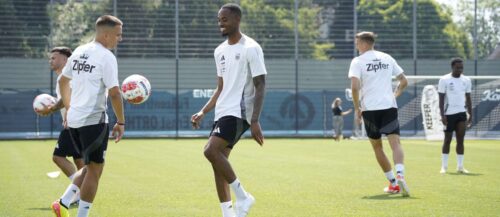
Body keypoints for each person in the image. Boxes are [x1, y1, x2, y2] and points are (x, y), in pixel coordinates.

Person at [190, 3, 267, 217]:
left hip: (240, 112)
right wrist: (203, 111)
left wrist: (255, 120)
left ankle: (243, 197)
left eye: (225, 19)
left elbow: (261, 84)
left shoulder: (251, 48)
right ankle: (228, 213)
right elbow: (221, 87)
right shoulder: (219, 51)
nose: (220, 23)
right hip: (222, 111)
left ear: (237, 20)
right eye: (219, 20)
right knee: (218, 163)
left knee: (210, 151)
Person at [50, 15, 125, 217]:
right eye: (118, 35)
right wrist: (121, 121)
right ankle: (81, 214)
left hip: (74, 120)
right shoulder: (107, 57)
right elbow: (116, 93)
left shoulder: (79, 51)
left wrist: (69, 107)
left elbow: (63, 81)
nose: (120, 39)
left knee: (91, 166)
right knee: (95, 170)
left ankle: (64, 202)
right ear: (107, 35)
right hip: (93, 121)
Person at [348, 31, 410, 197]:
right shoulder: (387, 58)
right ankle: (400, 174)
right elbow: (404, 81)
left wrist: (356, 108)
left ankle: (393, 184)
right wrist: (395, 95)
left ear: (364, 43)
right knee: (395, 143)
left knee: (377, 147)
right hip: (389, 107)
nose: (356, 46)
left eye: (357, 43)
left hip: (370, 110)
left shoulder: (358, 61)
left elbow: (354, 87)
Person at [38, 47, 85, 204]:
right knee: (79, 161)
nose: (50, 60)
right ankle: (83, 194)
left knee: (58, 157)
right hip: (78, 122)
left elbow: (69, 96)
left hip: (73, 123)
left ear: (65, 60)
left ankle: (77, 191)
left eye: (54, 58)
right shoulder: (68, 76)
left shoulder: (66, 77)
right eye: (50, 58)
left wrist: (51, 108)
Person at [438, 58, 472, 174]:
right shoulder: (444, 80)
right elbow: (441, 99)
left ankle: (460, 166)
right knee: (447, 140)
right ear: (452, 67)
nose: (460, 69)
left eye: (461, 67)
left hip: (461, 114)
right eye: (458, 67)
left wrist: (470, 115)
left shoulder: (466, 80)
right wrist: (442, 115)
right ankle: (444, 167)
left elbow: (468, 98)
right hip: (449, 114)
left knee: (460, 140)